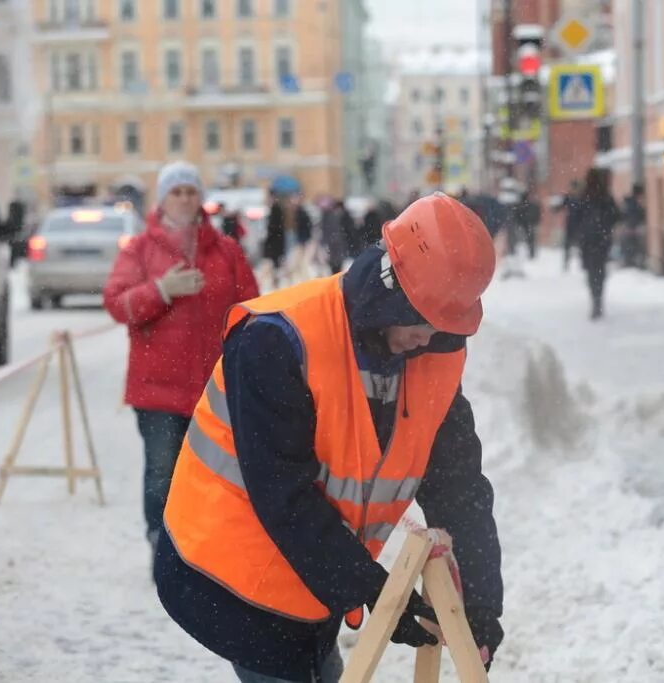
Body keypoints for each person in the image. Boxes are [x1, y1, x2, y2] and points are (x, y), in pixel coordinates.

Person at [155, 192, 505, 683]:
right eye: (424, 321)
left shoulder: (434, 352)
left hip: (315, 579)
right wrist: (372, 589)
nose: (430, 339)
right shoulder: (276, 340)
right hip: (228, 575)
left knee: (320, 668)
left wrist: (484, 602)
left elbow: (459, 487)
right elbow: (284, 496)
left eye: (445, 326)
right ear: (393, 292)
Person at [103, 161, 259, 571]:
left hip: (215, 388)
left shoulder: (225, 250)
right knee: (162, 474)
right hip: (157, 388)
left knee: (215, 478)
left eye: (192, 190)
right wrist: (159, 290)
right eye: (177, 191)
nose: (185, 198)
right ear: (163, 199)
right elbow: (117, 303)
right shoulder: (140, 249)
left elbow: (251, 308)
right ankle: (163, 550)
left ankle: (203, 554)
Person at [578, 168, 620, 320]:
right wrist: (606, 226)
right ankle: (598, 298)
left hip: (588, 240)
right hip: (602, 240)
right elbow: (616, 215)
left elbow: (576, 217)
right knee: (599, 270)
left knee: (591, 271)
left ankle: (595, 298)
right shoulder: (605, 196)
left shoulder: (584, 196)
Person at [620, 183, 647, 269]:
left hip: (628, 228)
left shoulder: (628, 202)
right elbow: (634, 216)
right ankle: (632, 264)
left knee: (630, 247)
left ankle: (630, 262)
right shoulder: (633, 204)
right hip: (632, 229)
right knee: (634, 246)